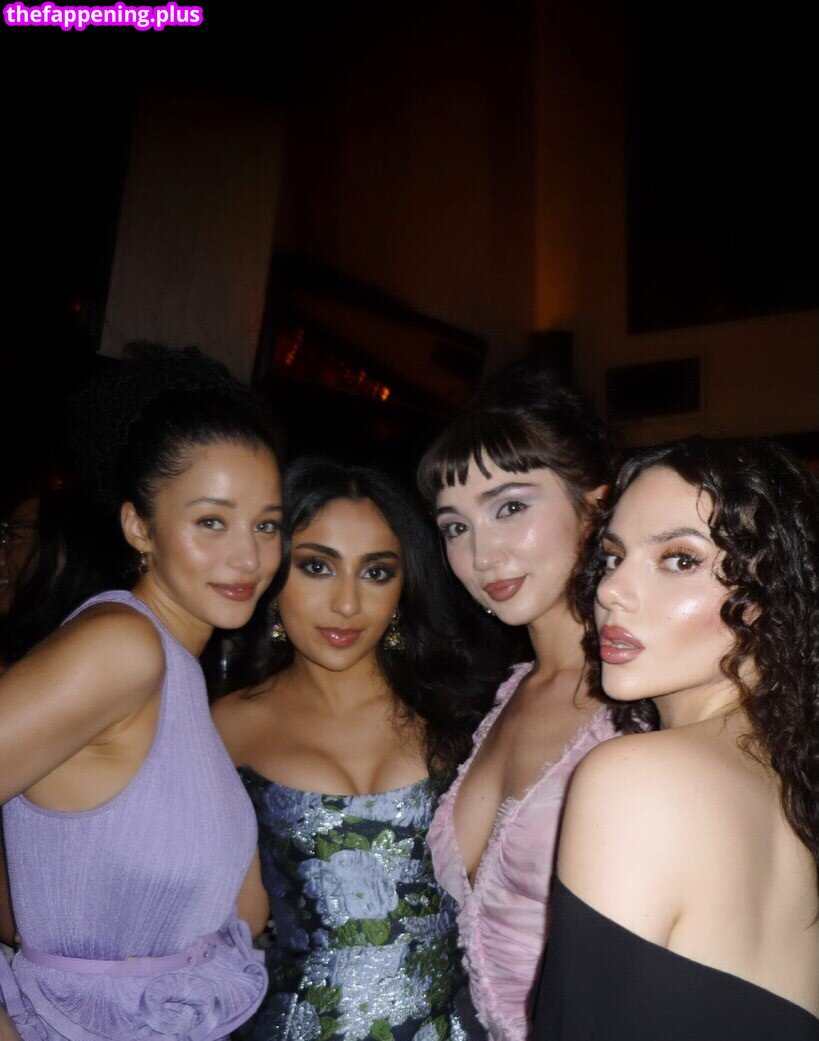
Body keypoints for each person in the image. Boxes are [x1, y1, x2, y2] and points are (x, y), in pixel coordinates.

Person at [0, 346, 283, 1041]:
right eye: (211, 521)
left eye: (266, 524)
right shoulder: (122, 647)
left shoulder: (180, 673)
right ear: (138, 527)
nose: (248, 556)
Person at [533, 437, 819, 1040]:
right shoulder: (789, 777)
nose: (610, 591)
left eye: (680, 560)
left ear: (771, 592)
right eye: (613, 557)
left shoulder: (637, 779)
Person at [213, 457, 503, 1041]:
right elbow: (235, 923)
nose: (346, 604)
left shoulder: (463, 715)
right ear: (272, 571)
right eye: (317, 567)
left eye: (375, 572)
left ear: (404, 586)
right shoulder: (227, 726)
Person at [415, 363, 620, 1041]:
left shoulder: (642, 704)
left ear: (595, 506)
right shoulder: (506, 691)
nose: (481, 553)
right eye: (454, 527)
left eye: (509, 507)